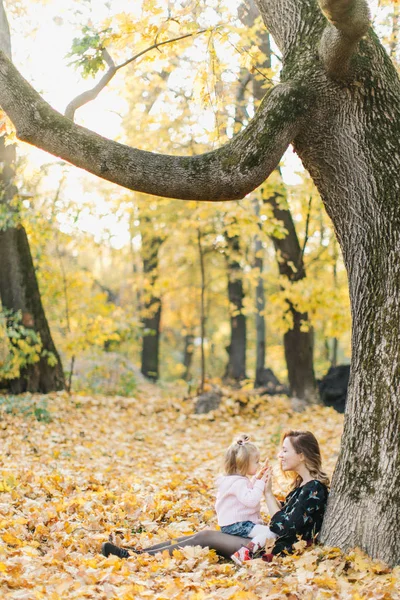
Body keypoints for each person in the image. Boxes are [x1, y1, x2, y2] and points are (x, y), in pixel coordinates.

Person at [101, 429, 329, 562]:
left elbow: (284, 528)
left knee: (207, 537)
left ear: (301, 455)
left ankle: (136, 556)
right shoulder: (302, 486)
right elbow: (281, 520)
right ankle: (137, 553)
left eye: (285, 450)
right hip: (267, 541)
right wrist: (267, 493)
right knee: (204, 535)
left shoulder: (314, 490)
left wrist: (267, 493)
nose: (280, 455)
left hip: (277, 550)